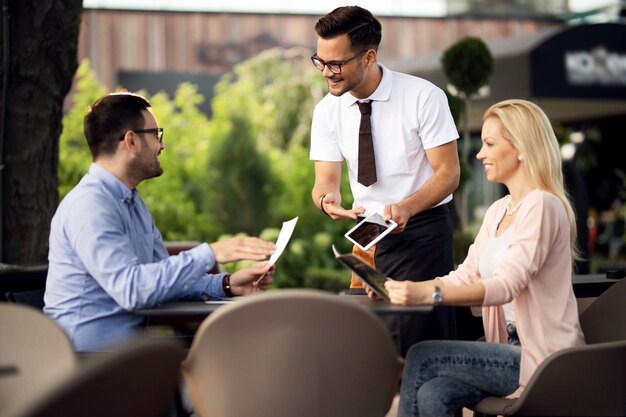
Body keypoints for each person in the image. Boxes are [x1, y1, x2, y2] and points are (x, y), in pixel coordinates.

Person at [385, 99, 586, 417]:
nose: (480, 154)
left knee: (423, 355)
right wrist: (404, 288)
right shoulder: (498, 211)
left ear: (520, 147)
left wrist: (430, 294)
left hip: (543, 357)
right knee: (435, 393)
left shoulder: (543, 205)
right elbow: (465, 275)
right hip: (506, 353)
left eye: (490, 144)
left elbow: (506, 286)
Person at [44, 92, 276, 353]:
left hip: (121, 357)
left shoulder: (131, 203)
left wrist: (227, 284)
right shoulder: (90, 206)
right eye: (156, 135)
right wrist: (209, 253)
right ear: (131, 141)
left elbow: (160, 277)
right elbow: (132, 289)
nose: (161, 145)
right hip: (82, 363)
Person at [309, 5, 460, 356]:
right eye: (320, 61)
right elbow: (324, 181)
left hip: (422, 232)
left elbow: (449, 173)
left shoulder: (424, 97)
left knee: (423, 346)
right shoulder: (326, 111)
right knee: (368, 347)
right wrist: (327, 200)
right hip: (367, 235)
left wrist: (407, 207)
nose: (327, 73)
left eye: (337, 64)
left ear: (369, 56)